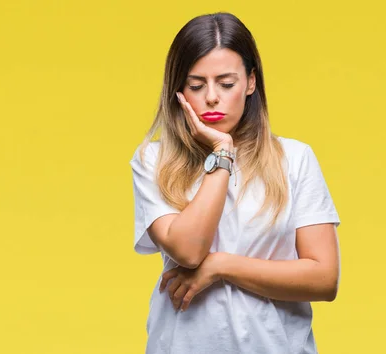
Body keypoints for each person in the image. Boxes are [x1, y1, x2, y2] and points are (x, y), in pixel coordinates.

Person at [129, 12, 341, 354]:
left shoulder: (295, 159)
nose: (211, 97)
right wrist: (222, 153)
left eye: (226, 84)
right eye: (196, 85)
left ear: (251, 83)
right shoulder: (153, 161)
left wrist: (220, 266)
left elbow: (323, 278)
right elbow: (188, 250)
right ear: (178, 90)